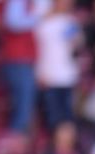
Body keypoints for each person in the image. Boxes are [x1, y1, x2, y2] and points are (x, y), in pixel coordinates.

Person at [1, 0, 49, 132]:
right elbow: (13, 22)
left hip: (28, 58)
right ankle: (15, 139)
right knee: (23, 101)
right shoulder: (17, 2)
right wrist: (38, 18)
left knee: (26, 101)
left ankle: (19, 138)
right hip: (18, 59)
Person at [35, 0, 82, 132]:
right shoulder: (42, 21)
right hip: (49, 77)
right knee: (53, 120)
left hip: (68, 76)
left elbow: (76, 46)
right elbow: (37, 49)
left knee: (68, 119)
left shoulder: (71, 22)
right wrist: (39, 73)